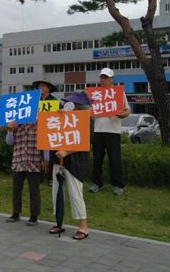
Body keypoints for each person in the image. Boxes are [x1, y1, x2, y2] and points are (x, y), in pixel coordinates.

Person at [49, 91, 91, 240]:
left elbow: (84, 143)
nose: (67, 105)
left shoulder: (86, 120)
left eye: (71, 103)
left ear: (78, 107)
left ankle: (83, 226)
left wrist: (66, 152)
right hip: (58, 161)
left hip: (75, 163)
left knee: (75, 194)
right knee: (56, 193)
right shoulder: (59, 118)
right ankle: (59, 222)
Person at [89, 68, 131, 196]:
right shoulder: (95, 94)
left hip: (113, 131)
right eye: (101, 77)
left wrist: (123, 114)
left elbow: (127, 110)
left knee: (115, 159)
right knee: (97, 159)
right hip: (98, 130)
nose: (103, 80)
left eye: (106, 77)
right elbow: (90, 111)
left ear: (112, 79)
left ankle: (118, 185)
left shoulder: (119, 93)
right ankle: (97, 183)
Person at [4, 114, 42, 226]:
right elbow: (9, 142)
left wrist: (46, 158)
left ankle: (34, 216)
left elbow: (44, 140)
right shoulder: (15, 122)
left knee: (34, 191)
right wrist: (10, 130)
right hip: (18, 160)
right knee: (16, 189)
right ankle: (16, 213)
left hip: (34, 160)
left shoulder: (39, 121)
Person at [32, 80, 59, 186]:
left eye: (43, 86)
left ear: (48, 88)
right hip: (36, 129)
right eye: (39, 86)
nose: (40, 88)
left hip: (50, 129)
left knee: (50, 154)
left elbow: (59, 115)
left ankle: (51, 177)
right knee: (38, 154)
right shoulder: (35, 100)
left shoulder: (54, 100)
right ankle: (39, 176)